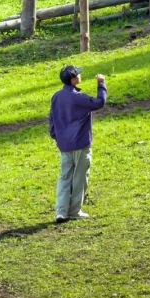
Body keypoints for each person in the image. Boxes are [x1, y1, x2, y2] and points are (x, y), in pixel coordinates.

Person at [48, 63, 107, 223]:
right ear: (73, 80)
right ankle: (75, 210)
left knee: (65, 177)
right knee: (80, 177)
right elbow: (100, 102)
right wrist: (101, 83)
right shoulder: (78, 98)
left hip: (64, 145)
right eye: (77, 74)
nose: (80, 76)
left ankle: (61, 212)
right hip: (80, 144)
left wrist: (56, 137)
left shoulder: (56, 97)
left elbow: (52, 119)